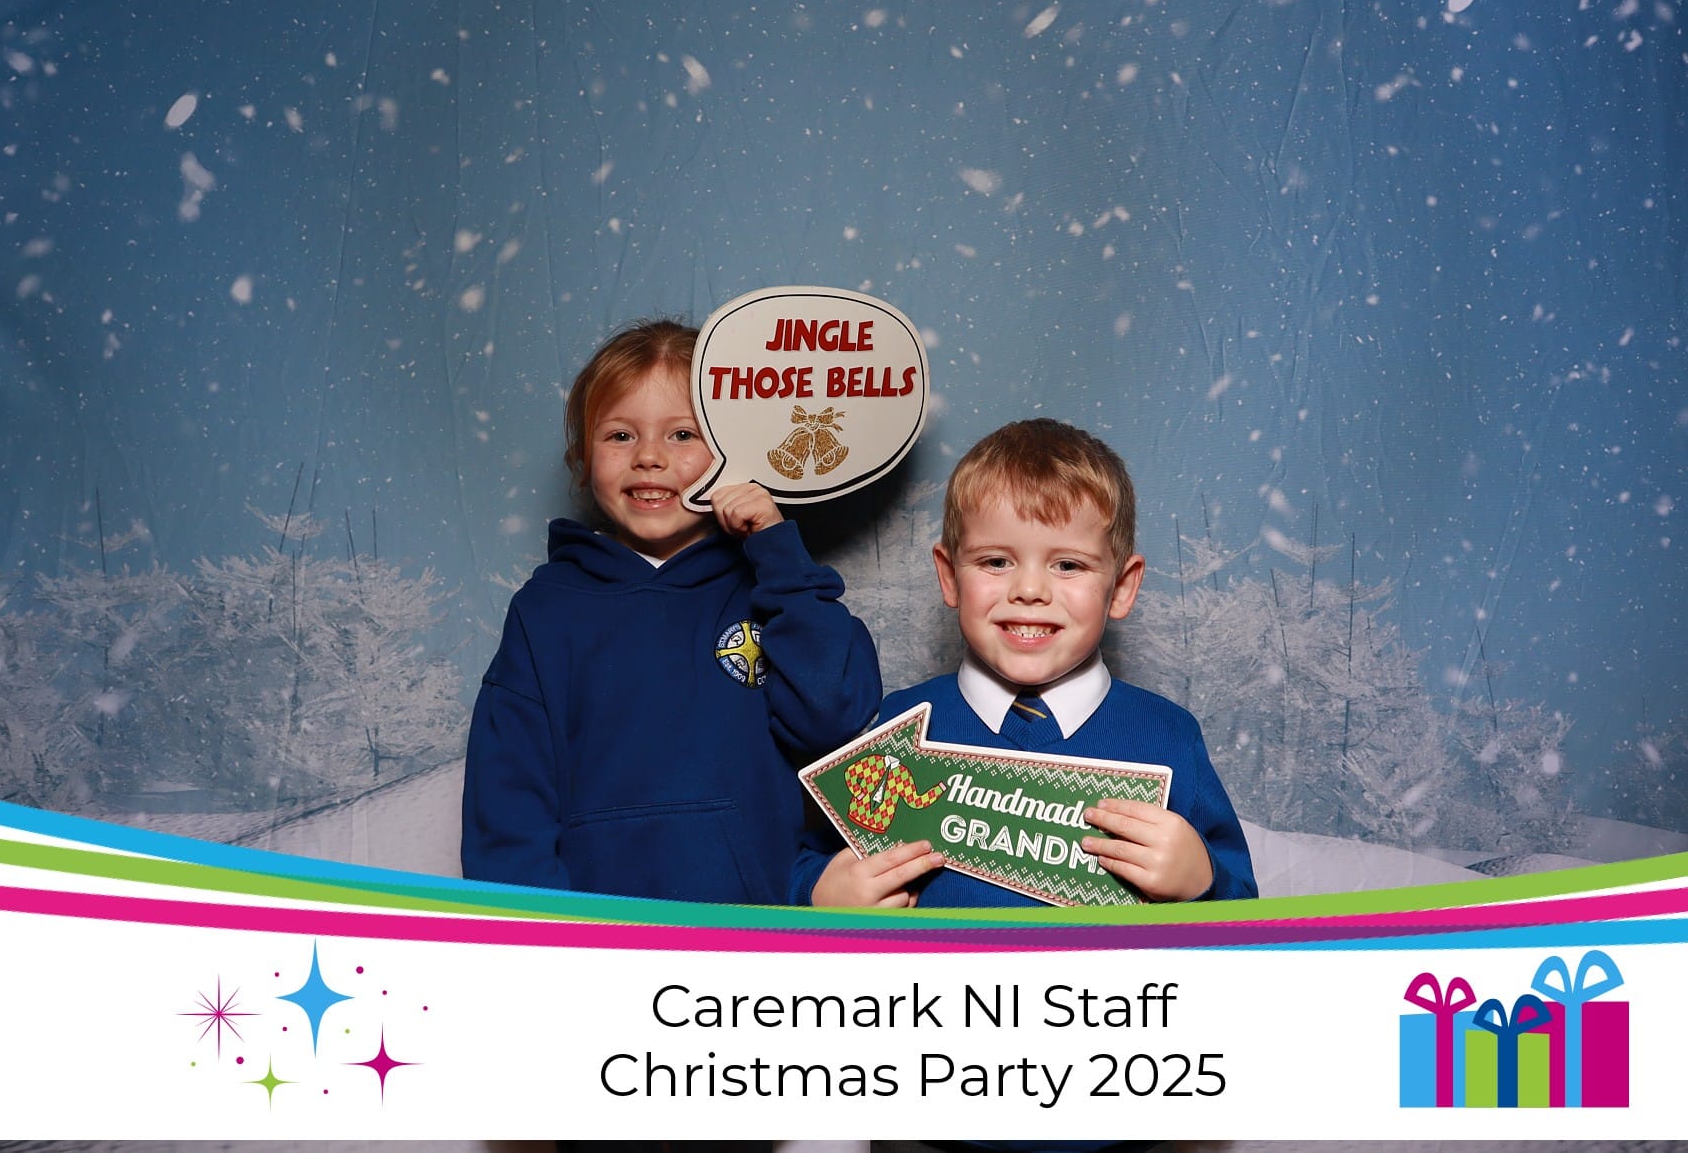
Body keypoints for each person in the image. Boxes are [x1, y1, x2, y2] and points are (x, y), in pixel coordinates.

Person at [462, 318, 882, 904]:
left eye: (683, 435)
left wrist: (777, 551)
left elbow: (835, 715)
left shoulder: (773, 589)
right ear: (583, 459)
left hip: (759, 940)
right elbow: (508, 810)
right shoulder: (545, 612)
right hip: (601, 948)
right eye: (619, 436)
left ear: (731, 454)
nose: (650, 458)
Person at [794, 418, 1255, 909]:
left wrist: (1203, 882)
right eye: (996, 562)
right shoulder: (893, 727)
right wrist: (821, 892)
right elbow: (808, 861)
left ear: (1121, 588)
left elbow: (1241, 912)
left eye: (1068, 565)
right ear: (950, 577)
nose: (1030, 590)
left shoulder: (1170, 736)